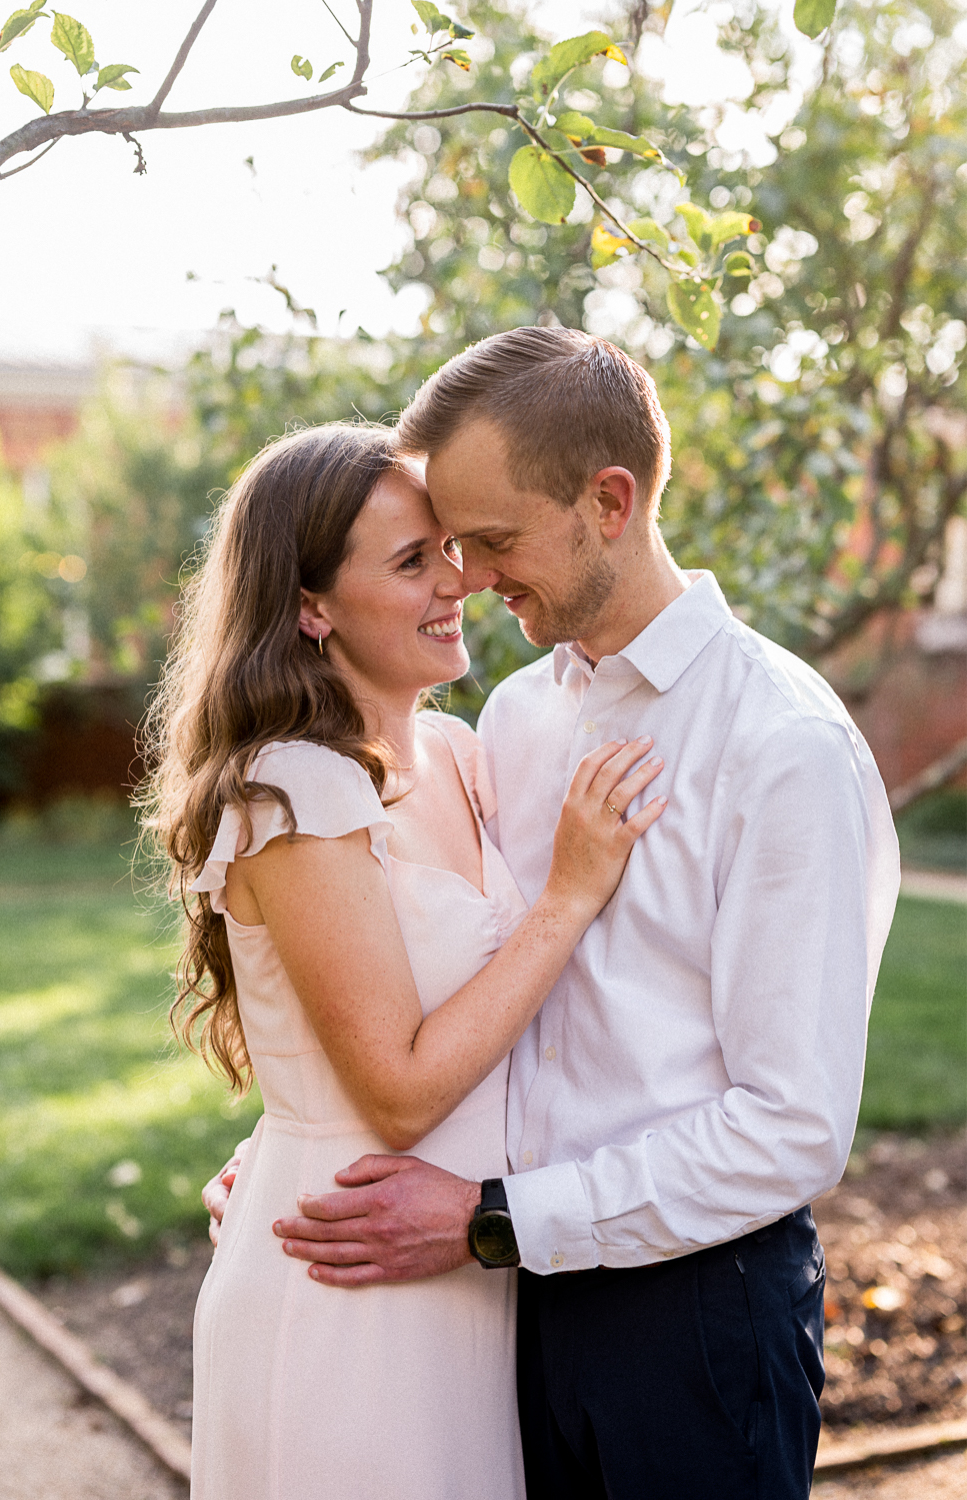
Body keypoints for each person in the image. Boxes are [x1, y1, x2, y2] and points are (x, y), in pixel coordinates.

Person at [210, 329, 900, 1500]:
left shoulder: (780, 744)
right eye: (444, 546)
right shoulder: (516, 721)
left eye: (490, 540)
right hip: (502, 1304)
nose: (469, 576)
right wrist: (309, 1137)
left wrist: (495, 1221)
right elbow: (471, 985)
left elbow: (792, 1127)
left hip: (684, 1317)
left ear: (610, 501)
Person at [145, 420, 667, 1500]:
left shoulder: (464, 757)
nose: (457, 582)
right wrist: (568, 894)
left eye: (452, 549)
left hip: (461, 1264)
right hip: (350, 1281)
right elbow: (393, 1093)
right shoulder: (293, 787)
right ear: (309, 607)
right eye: (411, 560)